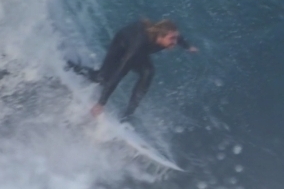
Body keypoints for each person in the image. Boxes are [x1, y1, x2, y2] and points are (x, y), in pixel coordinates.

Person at [68, 19, 197, 120]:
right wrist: (101, 103)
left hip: (139, 50)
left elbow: (178, 37)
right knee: (102, 78)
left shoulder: (166, 36)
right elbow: (119, 73)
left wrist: (187, 46)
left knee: (148, 73)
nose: (174, 42)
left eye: (175, 38)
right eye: (171, 39)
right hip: (122, 45)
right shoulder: (139, 43)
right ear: (160, 36)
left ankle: (128, 115)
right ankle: (70, 66)